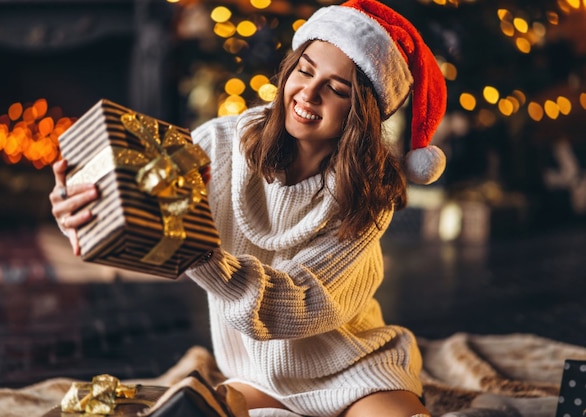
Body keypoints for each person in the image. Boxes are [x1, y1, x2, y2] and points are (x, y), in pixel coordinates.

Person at [49, 0, 447, 416]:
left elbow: (294, 304)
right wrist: (86, 207)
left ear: (361, 113)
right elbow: (143, 219)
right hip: (257, 375)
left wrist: (197, 251)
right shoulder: (219, 145)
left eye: (336, 88)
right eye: (305, 70)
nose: (308, 93)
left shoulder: (368, 198)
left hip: (354, 369)